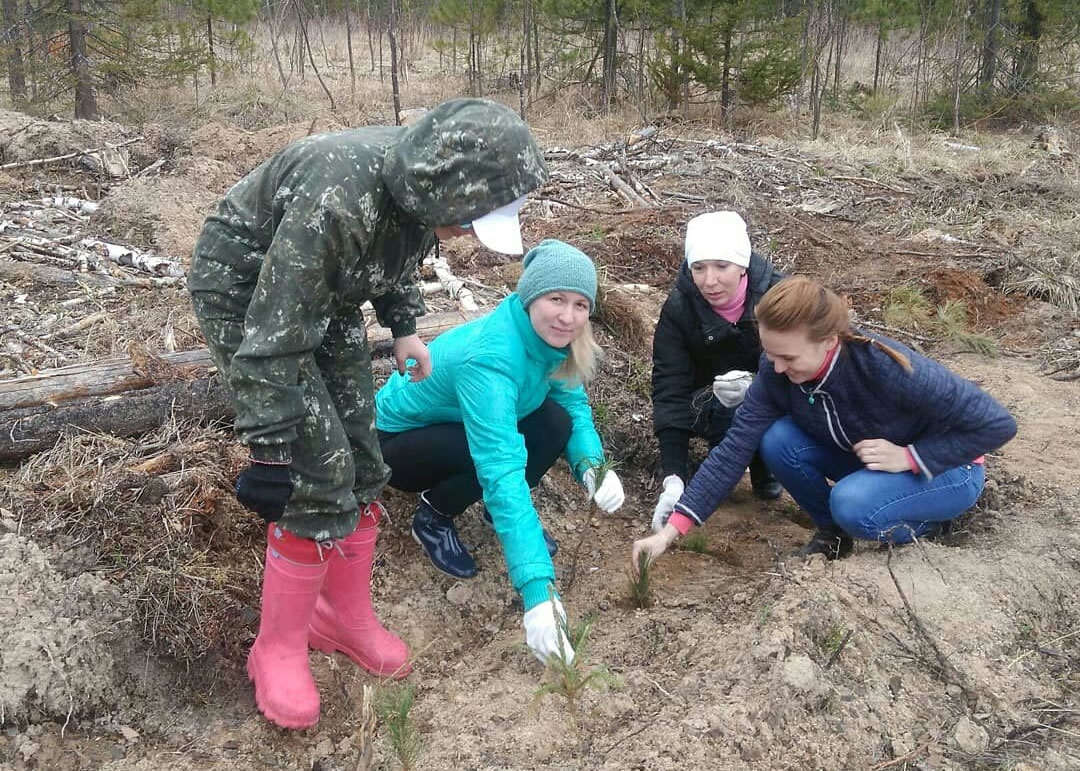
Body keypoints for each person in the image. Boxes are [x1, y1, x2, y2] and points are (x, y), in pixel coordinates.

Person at [188, 98, 548, 729]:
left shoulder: (419, 178)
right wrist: (271, 447)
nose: (465, 233)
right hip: (250, 290)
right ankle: (277, 647)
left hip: (326, 287)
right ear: (444, 191)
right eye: (468, 222)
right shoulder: (337, 196)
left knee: (362, 457)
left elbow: (399, 244)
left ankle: (342, 618)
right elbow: (274, 332)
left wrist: (404, 325)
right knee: (317, 471)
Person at [634, 275, 1017, 568]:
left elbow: (998, 425)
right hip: (872, 455)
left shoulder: (887, 368)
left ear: (829, 341)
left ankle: (931, 524)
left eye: (789, 358)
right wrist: (671, 532)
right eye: (770, 354)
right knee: (777, 439)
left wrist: (912, 457)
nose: (777, 368)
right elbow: (734, 449)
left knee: (850, 504)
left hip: (950, 468)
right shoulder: (777, 370)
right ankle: (833, 535)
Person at [376, 239, 625, 664]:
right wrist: (537, 591)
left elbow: (572, 405)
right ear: (531, 297)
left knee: (555, 423)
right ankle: (433, 516)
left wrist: (592, 465)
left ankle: (494, 515)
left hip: (457, 423)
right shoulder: (492, 358)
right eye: (556, 299)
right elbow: (500, 468)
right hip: (397, 443)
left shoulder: (555, 342)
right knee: (489, 457)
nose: (568, 316)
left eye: (580, 304)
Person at [650, 211, 785, 532]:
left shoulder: (781, 297)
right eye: (699, 268)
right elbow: (670, 386)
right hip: (708, 404)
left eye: (721, 266)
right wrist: (674, 478)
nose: (709, 281)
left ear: (743, 265)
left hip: (777, 401)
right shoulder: (680, 308)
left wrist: (758, 385)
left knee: (766, 412)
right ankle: (722, 470)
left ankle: (768, 465)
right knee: (726, 405)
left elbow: (812, 369)